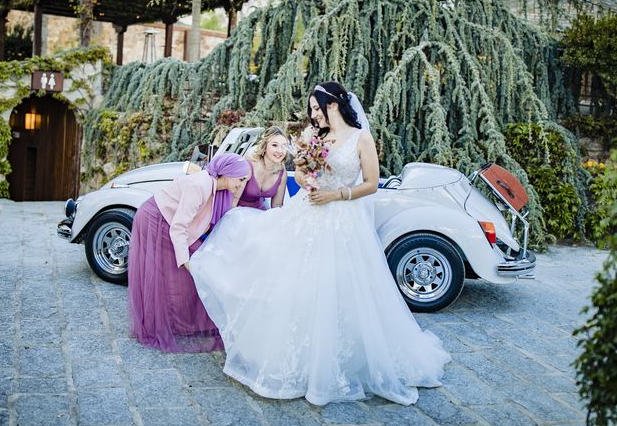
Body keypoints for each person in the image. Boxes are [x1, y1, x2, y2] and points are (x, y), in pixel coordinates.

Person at [191, 82, 450, 406]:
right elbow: (299, 176)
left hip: (343, 217)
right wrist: (306, 178)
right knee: (297, 281)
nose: (313, 114)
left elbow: (371, 184)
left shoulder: (360, 138)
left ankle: (345, 358)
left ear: (335, 104)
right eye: (311, 109)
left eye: (317, 107)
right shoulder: (315, 138)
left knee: (342, 284)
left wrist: (338, 193)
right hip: (309, 211)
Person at [128, 153, 250, 353]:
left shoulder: (219, 189)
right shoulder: (199, 186)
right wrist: (187, 262)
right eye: (241, 179)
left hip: (172, 222)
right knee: (177, 272)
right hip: (155, 218)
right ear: (227, 174)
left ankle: (189, 323)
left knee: (189, 271)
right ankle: (168, 323)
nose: (242, 184)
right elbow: (179, 228)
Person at [238, 126, 288, 210]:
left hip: (259, 213)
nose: (280, 151)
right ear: (265, 146)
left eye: (283, 146)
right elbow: (233, 199)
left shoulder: (281, 173)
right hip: (237, 211)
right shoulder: (249, 165)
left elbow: (277, 206)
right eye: (274, 145)